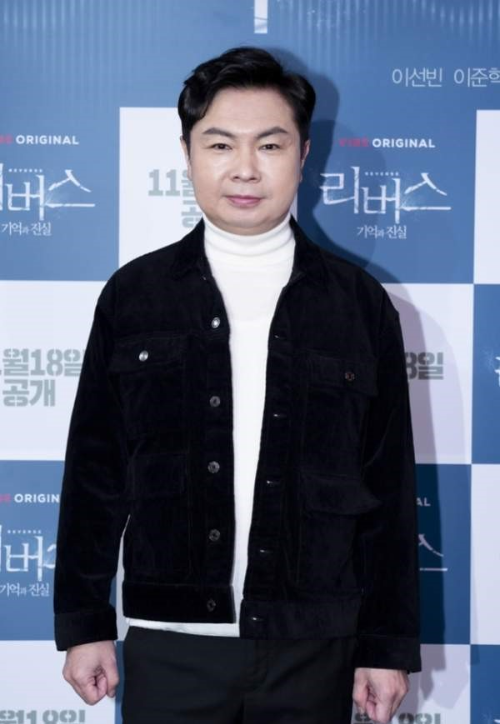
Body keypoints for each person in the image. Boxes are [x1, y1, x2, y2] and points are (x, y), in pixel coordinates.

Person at [54, 46, 421, 724]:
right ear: (188, 153)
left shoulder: (358, 304)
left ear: (303, 155)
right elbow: (94, 476)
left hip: (314, 643)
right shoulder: (134, 295)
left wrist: (386, 645)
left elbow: (389, 491)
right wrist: (84, 623)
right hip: (171, 643)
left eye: (270, 145)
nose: (245, 168)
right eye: (220, 144)